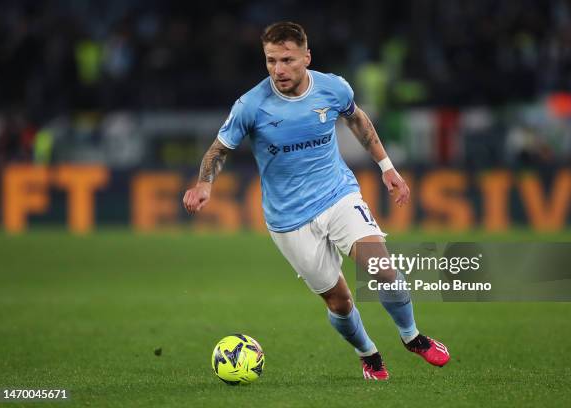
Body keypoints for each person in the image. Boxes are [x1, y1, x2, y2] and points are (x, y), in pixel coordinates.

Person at [183, 21, 449, 380]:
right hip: (289, 219)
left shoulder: (333, 88)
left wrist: (386, 167)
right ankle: (368, 352)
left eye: (287, 60)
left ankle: (411, 336)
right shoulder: (251, 105)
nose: (278, 70)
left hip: (337, 194)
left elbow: (358, 121)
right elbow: (219, 149)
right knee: (339, 302)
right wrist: (204, 184)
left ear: (306, 57)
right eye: (271, 60)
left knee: (381, 269)